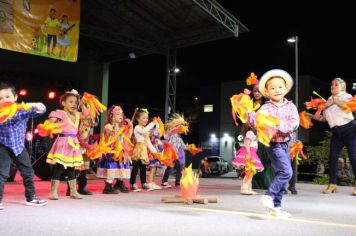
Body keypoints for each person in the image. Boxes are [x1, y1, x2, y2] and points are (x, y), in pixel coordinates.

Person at [254, 69, 299, 218]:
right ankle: (268, 195)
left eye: (280, 87)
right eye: (272, 88)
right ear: (267, 92)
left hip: (286, 144)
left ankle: (276, 208)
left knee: (282, 174)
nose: (277, 90)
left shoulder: (291, 106)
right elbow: (258, 122)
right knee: (286, 172)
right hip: (274, 145)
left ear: (285, 89)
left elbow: (295, 123)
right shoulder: (265, 108)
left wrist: (277, 124)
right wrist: (251, 117)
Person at [0, 82, 48, 209]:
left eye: (7, 97)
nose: (4, 100)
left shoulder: (21, 111)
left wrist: (28, 105)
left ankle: (31, 198)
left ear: (15, 98)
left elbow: (42, 109)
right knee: (2, 173)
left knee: (28, 172)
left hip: (19, 146)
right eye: (0, 98)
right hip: (2, 146)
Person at [307, 78, 356, 195]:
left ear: (342, 87)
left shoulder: (346, 96)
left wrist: (334, 100)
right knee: (333, 158)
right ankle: (332, 184)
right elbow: (325, 118)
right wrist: (312, 116)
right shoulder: (328, 100)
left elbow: (351, 106)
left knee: (354, 157)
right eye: (332, 84)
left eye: (336, 85)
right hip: (336, 132)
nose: (332, 86)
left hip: (350, 129)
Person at [46, 89, 84, 200]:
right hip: (63, 142)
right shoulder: (59, 113)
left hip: (73, 143)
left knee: (72, 168)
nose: (74, 104)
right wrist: (51, 125)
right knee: (59, 167)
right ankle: (53, 192)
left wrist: (80, 99)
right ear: (63, 103)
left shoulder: (77, 115)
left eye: (76, 103)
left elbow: (87, 114)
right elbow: (50, 123)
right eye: (70, 102)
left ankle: (73, 191)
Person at [96, 105, 132, 194]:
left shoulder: (121, 127)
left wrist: (130, 127)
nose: (121, 116)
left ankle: (119, 183)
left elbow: (127, 139)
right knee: (113, 167)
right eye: (118, 114)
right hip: (111, 151)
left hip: (120, 151)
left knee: (121, 167)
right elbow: (108, 140)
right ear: (112, 116)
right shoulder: (108, 126)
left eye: (122, 114)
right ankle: (108, 186)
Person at [250, 84, 275, 190]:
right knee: (255, 159)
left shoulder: (268, 105)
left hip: (265, 135)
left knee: (267, 159)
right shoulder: (250, 105)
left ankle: (269, 183)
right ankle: (256, 184)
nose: (256, 93)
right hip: (253, 136)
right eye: (255, 91)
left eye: (258, 91)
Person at [129, 109, 159, 192]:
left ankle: (143, 183)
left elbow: (148, 142)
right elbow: (143, 131)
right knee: (136, 167)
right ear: (138, 119)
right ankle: (132, 183)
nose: (146, 120)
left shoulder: (146, 129)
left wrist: (154, 151)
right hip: (138, 150)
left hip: (144, 150)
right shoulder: (137, 127)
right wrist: (152, 124)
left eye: (147, 118)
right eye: (143, 118)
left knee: (143, 167)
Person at [232, 124, 264, 195]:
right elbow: (247, 142)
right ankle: (244, 189)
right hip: (250, 152)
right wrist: (248, 153)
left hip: (252, 152)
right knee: (249, 171)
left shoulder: (253, 133)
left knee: (251, 172)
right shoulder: (250, 133)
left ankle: (249, 188)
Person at [161, 114, 189, 188]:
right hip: (170, 154)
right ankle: (164, 181)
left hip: (175, 155)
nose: (181, 128)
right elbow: (165, 136)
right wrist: (175, 126)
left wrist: (190, 147)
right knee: (170, 167)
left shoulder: (179, 138)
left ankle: (176, 182)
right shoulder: (171, 134)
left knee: (177, 167)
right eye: (180, 126)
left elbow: (183, 146)